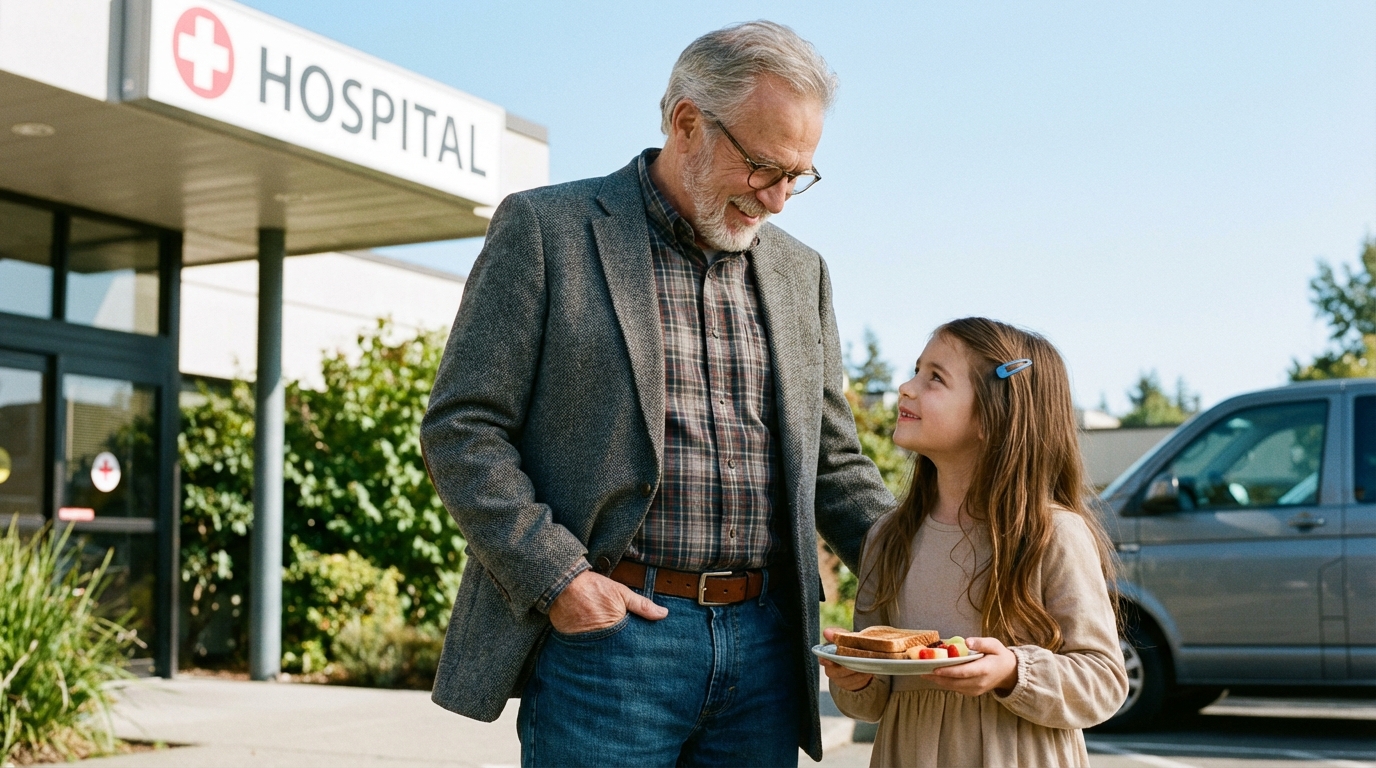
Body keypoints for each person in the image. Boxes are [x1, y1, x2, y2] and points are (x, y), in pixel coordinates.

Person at [419, 20, 895, 767]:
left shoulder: (804, 273)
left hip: (768, 651)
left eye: (798, 174)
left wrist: (950, 570)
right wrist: (561, 580)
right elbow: (462, 428)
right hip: (609, 643)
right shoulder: (548, 230)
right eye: (765, 166)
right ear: (686, 122)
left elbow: (835, 468)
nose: (778, 199)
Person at [823, 317, 1128, 768]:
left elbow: (1103, 682)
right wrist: (855, 678)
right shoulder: (888, 537)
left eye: (935, 378)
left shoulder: (1053, 534)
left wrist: (1012, 672)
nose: (906, 387)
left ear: (991, 416)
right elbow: (869, 704)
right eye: (916, 371)